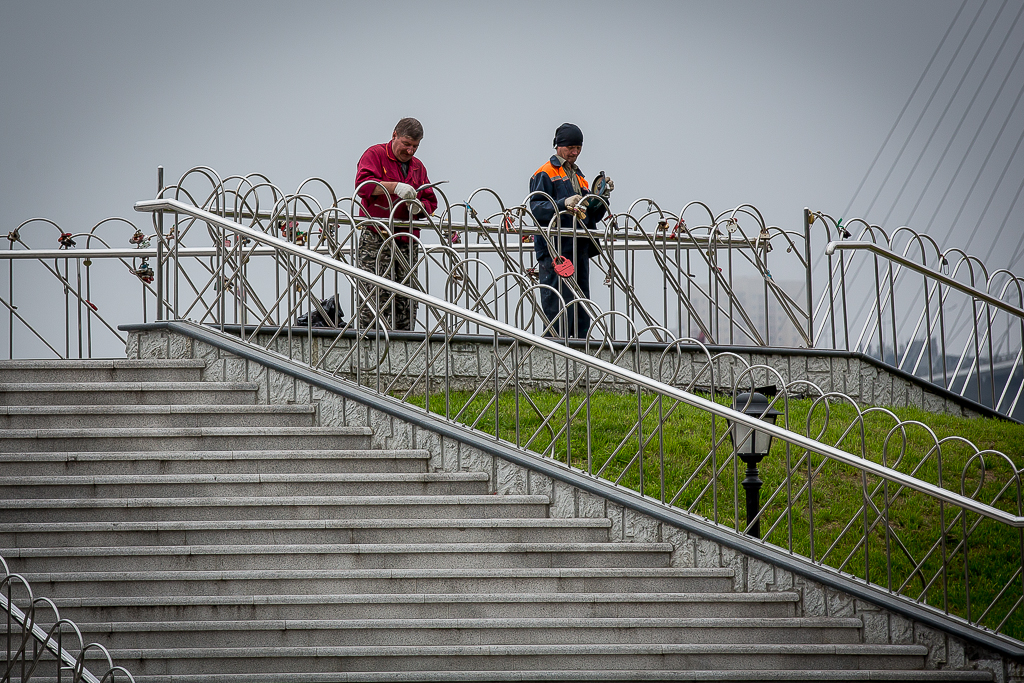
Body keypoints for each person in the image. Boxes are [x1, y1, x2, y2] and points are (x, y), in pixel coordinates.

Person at [528, 122, 613, 338]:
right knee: (557, 304)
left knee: (580, 303)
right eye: (570, 148)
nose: (574, 153)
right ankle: (555, 350)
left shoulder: (579, 177)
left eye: (578, 148)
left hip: (578, 248)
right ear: (558, 146)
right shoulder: (545, 173)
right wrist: (562, 203)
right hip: (555, 251)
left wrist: (600, 197)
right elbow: (537, 207)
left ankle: (581, 349)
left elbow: (590, 215)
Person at [354, 117, 438, 331]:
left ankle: (405, 346)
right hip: (377, 238)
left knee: (407, 300)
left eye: (416, 147)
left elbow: (431, 199)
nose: (411, 151)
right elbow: (363, 186)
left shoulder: (418, 167)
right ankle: (370, 347)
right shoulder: (374, 155)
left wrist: (419, 208)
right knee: (374, 297)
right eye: (407, 144)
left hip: (407, 241)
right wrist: (394, 187)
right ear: (394, 136)